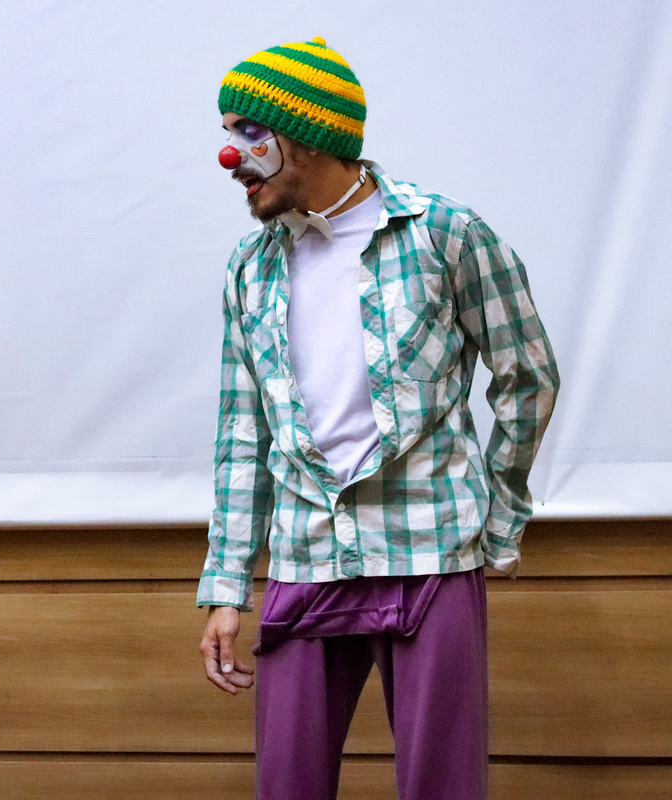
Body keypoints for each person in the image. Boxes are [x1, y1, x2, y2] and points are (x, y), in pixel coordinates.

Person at [196, 38, 559, 800]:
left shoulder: (444, 234)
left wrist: (497, 518)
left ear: (305, 136)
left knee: (442, 785)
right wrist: (227, 585)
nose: (230, 158)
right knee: (287, 785)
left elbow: (527, 375)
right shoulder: (249, 268)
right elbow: (242, 434)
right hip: (306, 552)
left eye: (247, 133)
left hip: (430, 550)